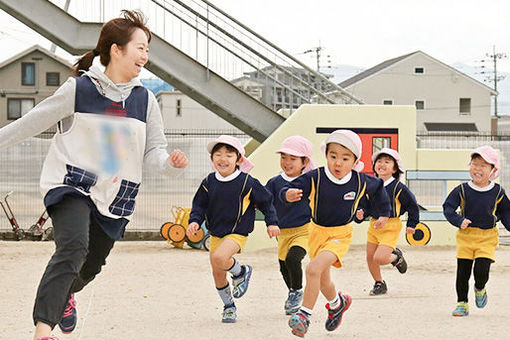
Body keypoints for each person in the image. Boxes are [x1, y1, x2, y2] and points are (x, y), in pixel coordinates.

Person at [0, 10, 189, 340]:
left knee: (90, 265)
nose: (145, 56)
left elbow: (155, 151)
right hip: (71, 184)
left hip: (115, 196)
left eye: (147, 49)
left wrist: (169, 163)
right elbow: (30, 122)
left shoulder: (144, 100)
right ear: (116, 50)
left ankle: (66, 296)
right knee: (72, 249)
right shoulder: (79, 89)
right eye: (140, 47)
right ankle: (43, 331)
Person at [282, 130, 391, 337]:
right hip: (316, 232)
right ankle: (337, 304)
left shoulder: (360, 181)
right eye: (333, 157)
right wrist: (287, 194)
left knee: (313, 269)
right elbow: (291, 187)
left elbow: (378, 189)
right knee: (323, 280)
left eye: (345, 158)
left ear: (355, 161)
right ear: (326, 156)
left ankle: (304, 316)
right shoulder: (316, 177)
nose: (338, 163)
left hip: (340, 234)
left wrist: (384, 213)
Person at [186, 135, 280, 323]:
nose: (223, 158)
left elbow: (266, 201)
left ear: (238, 160)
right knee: (217, 272)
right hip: (216, 234)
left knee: (219, 258)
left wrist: (272, 221)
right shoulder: (208, 182)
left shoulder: (247, 182)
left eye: (229, 155)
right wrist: (194, 221)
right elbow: (199, 206)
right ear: (212, 159)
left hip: (237, 232)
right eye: (218, 154)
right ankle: (229, 307)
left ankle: (241, 272)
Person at [443, 145, 510, 317]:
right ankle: (462, 304)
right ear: (469, 166)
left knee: (481, 271)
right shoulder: (462, 190)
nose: (477, 169)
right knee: (462, 273)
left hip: (487, 237)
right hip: (466, 237)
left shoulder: (498, 192)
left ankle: (480, 288)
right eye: (474, 164)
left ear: (492, 170)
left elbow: (506, 212)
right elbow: (448, 207)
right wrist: (458, 220)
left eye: (483, 165)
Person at [356, 148, 419, 296]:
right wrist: (361, 213)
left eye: (387, 162)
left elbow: (412, 206)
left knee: (380, 258)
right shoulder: (370, 186)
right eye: (379, 161)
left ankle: (396, 257)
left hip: (391, 226)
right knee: (370, 258)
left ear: (395, 168)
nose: (382, 164)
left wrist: (412, 224)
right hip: (373, 225)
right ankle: (379, 283)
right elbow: (364, 205)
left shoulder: (398, 188)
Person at [265, 136, 317, 315]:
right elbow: (265, 201)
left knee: (293, 259)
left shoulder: (310, 181)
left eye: (293, 159)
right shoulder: (274, 182)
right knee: (283, 266)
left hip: (304, 230)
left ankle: (296, 292)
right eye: (283, 157)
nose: (287, 162)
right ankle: (294, 292)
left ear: (305, 162)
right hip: (283, 232)